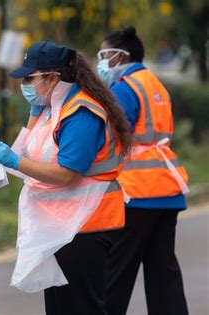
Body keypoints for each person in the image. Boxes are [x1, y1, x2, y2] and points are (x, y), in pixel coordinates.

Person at [0, 40, 132, 314]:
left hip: (89, 226)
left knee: (82, 307)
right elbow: (28, 154)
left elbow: (66, 175)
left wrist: (13, 159)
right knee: (60, 307)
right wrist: (32, 119)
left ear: (53, 78)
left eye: (30, 78)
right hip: (63, 225)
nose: (25, 85)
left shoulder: (80, 114)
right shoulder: (53, 108)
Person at [97, 26, 189, 315]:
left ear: (119, 56)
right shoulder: (154, 84)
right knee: (164, 275)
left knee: (115, 275)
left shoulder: (123, 89)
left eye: (103, 55)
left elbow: (110, 138)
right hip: (167, 189)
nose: (100, 61)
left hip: (136, 193)